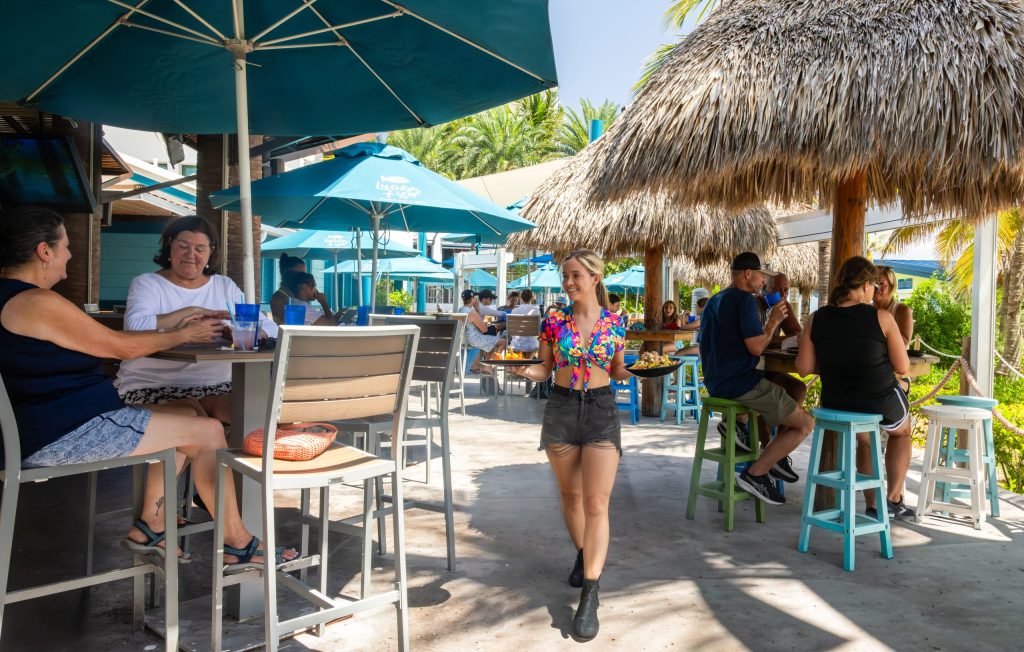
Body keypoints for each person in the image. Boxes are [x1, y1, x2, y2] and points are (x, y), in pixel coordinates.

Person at [0, 206, 295, 566]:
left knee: (187, 414)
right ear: (44, 252)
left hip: (54, 423)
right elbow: (120, 346)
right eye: (65, 245)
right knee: (209, 432)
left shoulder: (17, 298)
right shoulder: (37, 302)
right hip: (62, 432)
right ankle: (238, 543)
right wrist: (183, 333)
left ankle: (150, 524)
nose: (70, 254)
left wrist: (182, 322)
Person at [510, 249, 630, 641]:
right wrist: (525, 369)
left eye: (576, 275)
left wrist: (635, 371)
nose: (568, 282)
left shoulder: (616, 322)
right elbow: (545, 368)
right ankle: (583, 552)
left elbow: (617, 369)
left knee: (596, 503)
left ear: (595, 278)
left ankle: (590, 595)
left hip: (601, 410)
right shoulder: (554, 321)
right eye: (566, 276)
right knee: (571, 497)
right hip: (561, 409)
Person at [114, 216, 277, 423]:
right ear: (170, 244)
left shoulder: (224, 286)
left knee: (250, 413)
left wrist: (245, 333)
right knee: (196, 418)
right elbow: (134, 327)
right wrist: (191, 311)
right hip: (152, 383)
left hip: (218, 385)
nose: (191, 254)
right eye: (183, 246)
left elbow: (271, 328)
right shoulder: (148, 284)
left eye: (200, 249)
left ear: (211, 251)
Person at [797, 256, 915, 519]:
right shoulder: (882, 317)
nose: (874, 292)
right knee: (903, 432)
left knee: (866, 440)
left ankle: (873, 505)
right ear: (865, 286)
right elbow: (903, 366)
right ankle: (892, 500)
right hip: (877, 400)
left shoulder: (816, 318)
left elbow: (804, 368)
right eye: (874, 286)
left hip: (836, 402)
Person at [699, 252, 814, 505]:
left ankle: (744, 431)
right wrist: (772, 322)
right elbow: (756, 347)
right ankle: (756, 473)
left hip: (716, 382)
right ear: (748, 273)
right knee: (805, 424)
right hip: (741, 383)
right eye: (762, 275)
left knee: (792, 388)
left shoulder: (716, 299)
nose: (764, 281)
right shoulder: (744, 301)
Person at [728, 271, 809, 450]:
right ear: (765, 288)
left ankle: (778, 446)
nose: (783, 294)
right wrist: (780, 339)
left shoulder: (782, 306)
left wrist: (782, 335)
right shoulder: (752, 305)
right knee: (776, 392)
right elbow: (755, 341)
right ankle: (765, 446)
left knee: (798, 389)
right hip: (749, 370)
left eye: (786, 290)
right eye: (779, 290)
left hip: (769, 369)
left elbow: (797, 335)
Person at [873, 265, 915, 392]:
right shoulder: (866, 310)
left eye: (882, 284)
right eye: (874, 283)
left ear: (891, 287)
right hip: (874, 371)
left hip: (897, 373)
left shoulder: (902, 310)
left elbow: (904, 342)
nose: (877, 288)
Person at [269, 253, 332, 325]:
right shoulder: (281, 298)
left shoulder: (290, 296)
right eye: (301, 274)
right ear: (288, 274)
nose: (304, 277)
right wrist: (323, 302)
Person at [457, 289, 506, 373]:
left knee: (492, 340)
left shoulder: (461, 310)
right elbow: (484, 329)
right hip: (475, 339)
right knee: (503, 341)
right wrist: (477, 309)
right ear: (472, 299)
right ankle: (488, 366)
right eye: (475, 298)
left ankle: (478, 365)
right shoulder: (472, 312)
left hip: (466, 339)